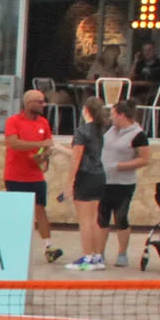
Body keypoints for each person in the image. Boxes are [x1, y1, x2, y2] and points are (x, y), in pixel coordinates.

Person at [2, 89, 64, 264]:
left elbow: (48, 146)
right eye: (39, 102)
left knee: (40, 210)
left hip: (35, 175)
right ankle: (13, 245)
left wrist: (43, 155)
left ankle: (48, 246)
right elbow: (13, 143)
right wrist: (39, 144)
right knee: (16, 213)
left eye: (43, 102)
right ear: (28, 103)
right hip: (15, 175)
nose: (42, 105)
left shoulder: (43, 123)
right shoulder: (13, 121)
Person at [99, 101, 150, 268]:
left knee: (120, 216)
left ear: (121, 115)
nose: (110, 117)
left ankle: (122, 253)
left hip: (123, 182)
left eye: (112, 114)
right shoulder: (109, 131)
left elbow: (144, 159)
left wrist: (121, 166)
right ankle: (100, 253)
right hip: (105, 180)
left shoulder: (138, 135)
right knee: (102, 217)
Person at [65, 98, 109, 269]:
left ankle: (87, 257)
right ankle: (97, 256)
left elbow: (76, 159)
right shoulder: (100, 130)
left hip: (85, 176)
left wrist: (69, 182)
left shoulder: (81, 131)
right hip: (99, 175)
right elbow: (82, 153)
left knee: (85, 220)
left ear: (86, 110)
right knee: (95, 219)